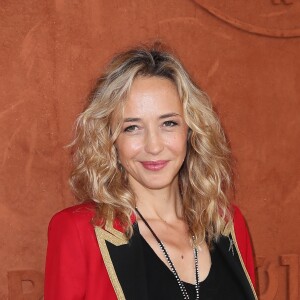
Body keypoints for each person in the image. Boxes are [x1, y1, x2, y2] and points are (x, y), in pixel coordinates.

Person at [44, 45, 258, 300]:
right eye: (132, 127)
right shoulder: (78, 232)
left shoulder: (227, 224)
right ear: (110, 140)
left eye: (169, 123)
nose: (154, 146)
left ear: (191, 131)